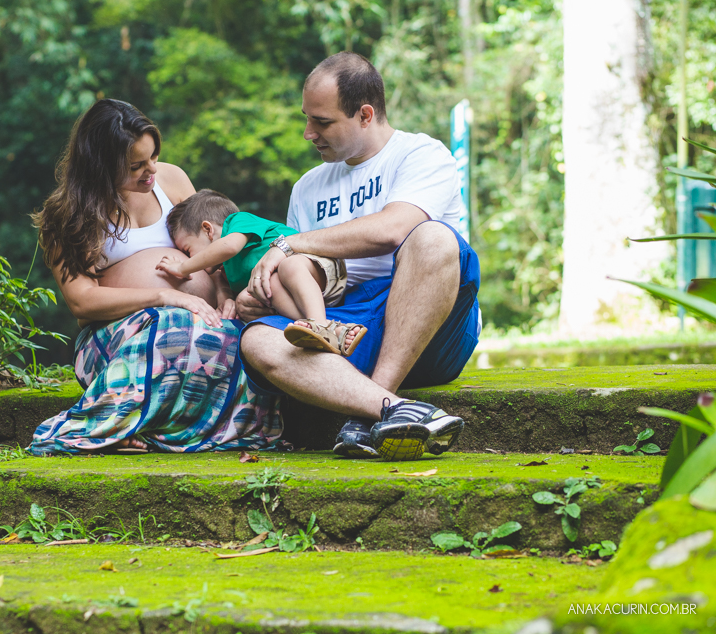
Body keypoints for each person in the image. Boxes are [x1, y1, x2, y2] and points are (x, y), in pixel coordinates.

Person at [236, 52, 480, 462]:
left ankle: (373, 408)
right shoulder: (307, 187)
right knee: (257, 340)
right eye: (307, 118)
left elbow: (392, 230)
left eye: (322, 122)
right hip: (346, 330)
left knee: (434, 238)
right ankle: (392, 410)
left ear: (365, 114)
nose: (307, 133)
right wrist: (253, 297)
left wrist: (290, 244)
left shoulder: (421, 154)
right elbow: (301, 273)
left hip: (430, 330)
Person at [27, 99, 282, 455]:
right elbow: (82, 302)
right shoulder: (69, 215)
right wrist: (165, 297)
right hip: (117, 335)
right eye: (136, 166)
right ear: (101, 167)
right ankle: (108, 428)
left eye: (153, 157)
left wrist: (224, 293)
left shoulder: (171, 179)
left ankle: (149, 431)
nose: (151, 171)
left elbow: (216, 240)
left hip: (201, 315)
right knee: (172, 329)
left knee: (238, 338)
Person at [155, 189, 366, 356]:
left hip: (314, 265)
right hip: (297, 294)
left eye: (187, 250)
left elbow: (228, 247)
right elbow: (222, 283)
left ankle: (319, 324)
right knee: (254, 293)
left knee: (287, 266)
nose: (190, 259)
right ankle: (331, 330)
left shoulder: (236, 222)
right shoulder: (226, 269)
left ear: (208, 229)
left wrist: (182, 268)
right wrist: (224, 298)